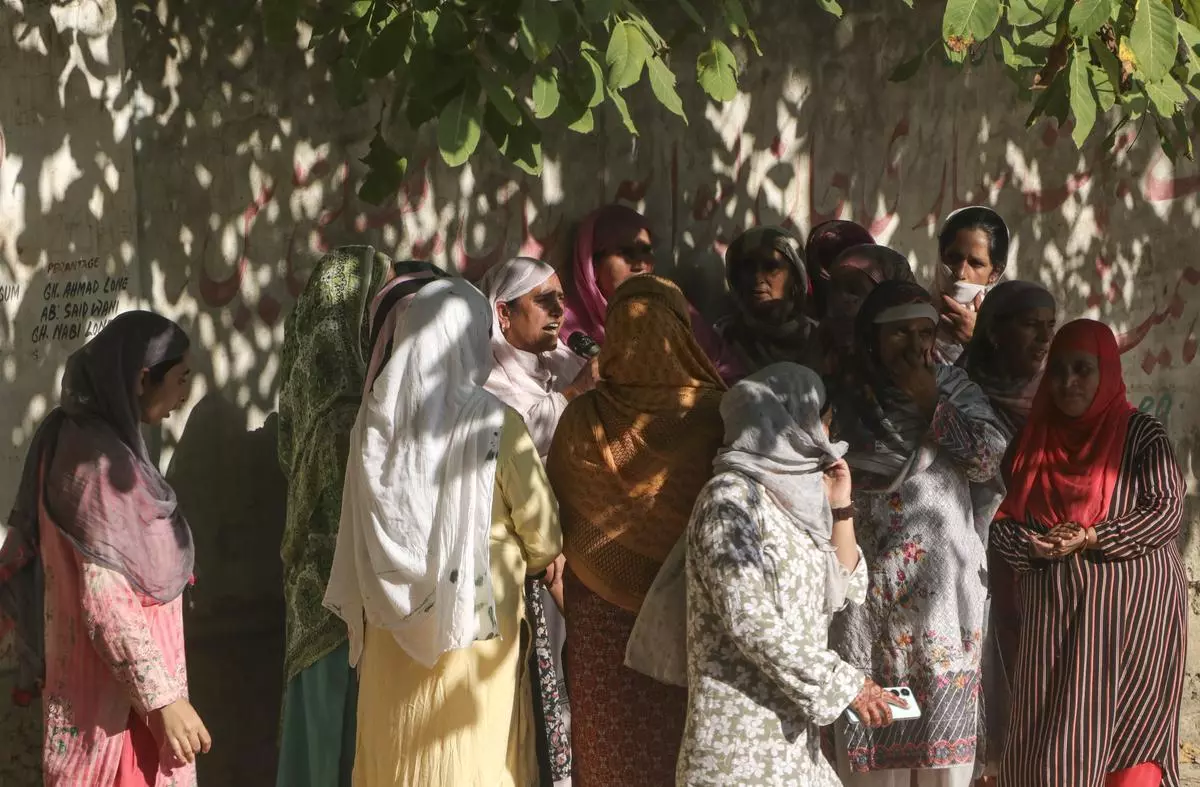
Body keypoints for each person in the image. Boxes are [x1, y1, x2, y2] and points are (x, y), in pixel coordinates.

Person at [323, 277, 563, 787]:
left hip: (388, 620)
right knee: (471, 753)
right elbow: (542, 536)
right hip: (475, 619)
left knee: (397, 750)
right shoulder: (495, 422)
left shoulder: (372, 424)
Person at [0, 311, 207, 787]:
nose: (184, 393)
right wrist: (165, 700)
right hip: (113, 716)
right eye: (180, 378)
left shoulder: (89, 442)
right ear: (141, 379)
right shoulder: (96, 467)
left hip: (124, 701)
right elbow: (106, 604)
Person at [678, 363, 903, 787]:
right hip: (741, 751)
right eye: (822, 417)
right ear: (789, 423)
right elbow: (749, 619)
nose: (827, 430)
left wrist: (840, 507)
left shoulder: (798, 499)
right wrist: (844, 683)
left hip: (794, 748)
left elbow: (843, 590)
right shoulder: (729, 501)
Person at [276, 248, 446, 787]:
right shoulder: (365, 415)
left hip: (310, 603)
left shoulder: (305, 403)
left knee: (316, 737)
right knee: (350, 742)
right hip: (361, 612)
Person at [990, 320, 1186, 787]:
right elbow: (1001, 529)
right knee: (1052, 737)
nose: (1068, 383)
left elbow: (1167, 511)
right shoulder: (1030, 443)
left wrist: (1093, 536)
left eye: (1083, 369)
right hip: (1055, 625)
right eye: (1057, 371)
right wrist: (1036, 547)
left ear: (1108, 372)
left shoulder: (1142, 436)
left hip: (1135, 624)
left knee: (1130, 732)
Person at [547, 275, 726, 787]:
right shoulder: (720, 416)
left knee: (611, 752)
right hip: (694, 616)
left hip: (602, 621)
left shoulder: (581, 417)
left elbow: (556, 520)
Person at [828, 280, 1006, 786]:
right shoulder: (842, 397)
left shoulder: (954, 390)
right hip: (868, 604)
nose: (914, 346)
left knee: (941, 762)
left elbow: (990, 461)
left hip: (940, 609)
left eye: (924, 332)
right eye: (899, 333)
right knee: (872, 759)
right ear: (871, 338)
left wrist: (933, 405)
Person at [478, 256, 598, 786]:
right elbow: (520, 438)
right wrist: (577, 397)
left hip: (580, 550)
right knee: (535, 681)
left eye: (561, 299)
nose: (558, 311)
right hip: (530, 562)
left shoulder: (561, 363)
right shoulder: (485, 378)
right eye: (542, 301)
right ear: (502, 314)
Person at [956, 279, 1057, 780]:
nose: (1043, 339)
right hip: (971, 559)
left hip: (1037, 565)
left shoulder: (1061, 398)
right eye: (1030, 325)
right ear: (994, 331)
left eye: (1050, 327)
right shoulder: (956, 391)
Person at [561, 204, 742, 382]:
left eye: (646, 252)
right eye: (626, 253)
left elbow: (726, 370)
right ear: (592, 264)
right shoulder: (569, 331)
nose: (640, 265)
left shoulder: (673, 309)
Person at [716, 226, 820, 374]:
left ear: (795, 277)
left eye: (771, 267)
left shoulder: (820, 339)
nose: (757, 277)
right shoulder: (722, 340)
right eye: (748, 267)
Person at [818, 244, 916, 376]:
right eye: (835, 288)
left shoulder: (916, 366)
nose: (841, 300)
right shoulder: (820, 351)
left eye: (853, 290)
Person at [931, 207, 1010, 364]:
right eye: (953, 257)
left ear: (994, 273)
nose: (960, 273)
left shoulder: (1010, 333)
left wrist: (979, 342)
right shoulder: (913, 316)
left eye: (975, 263)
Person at [804, 219, 875, 317]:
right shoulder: (802, 327)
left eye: (853, 286)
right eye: (836, 285)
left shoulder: (890, 319)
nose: (845, 297)